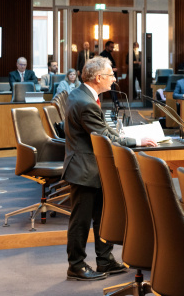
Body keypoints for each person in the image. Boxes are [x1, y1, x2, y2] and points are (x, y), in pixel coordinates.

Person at [62, 56, 157, 281]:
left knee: (102, 216)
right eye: (111, 75)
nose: (114, 80)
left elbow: (103, 129)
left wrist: (124, 135)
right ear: (98, 78)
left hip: (93, 166)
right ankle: (75, 265)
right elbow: (104, 137)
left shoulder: (83, 94)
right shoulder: (85, 103)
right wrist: (136, 141)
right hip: (84, 169)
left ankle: (104, 260)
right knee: (81, 221)